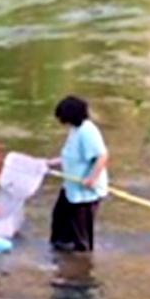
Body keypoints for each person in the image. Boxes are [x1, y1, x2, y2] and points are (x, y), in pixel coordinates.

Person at [48, 96, 108, 252]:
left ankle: (82, 266)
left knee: (81, 233)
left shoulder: (88, 132)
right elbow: (70, 155)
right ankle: (61, 257)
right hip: (71, 188)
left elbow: (102, 156)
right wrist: (49, 163)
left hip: (86, 193)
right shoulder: (75, 130)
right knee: (59, 221)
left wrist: (91, 178)